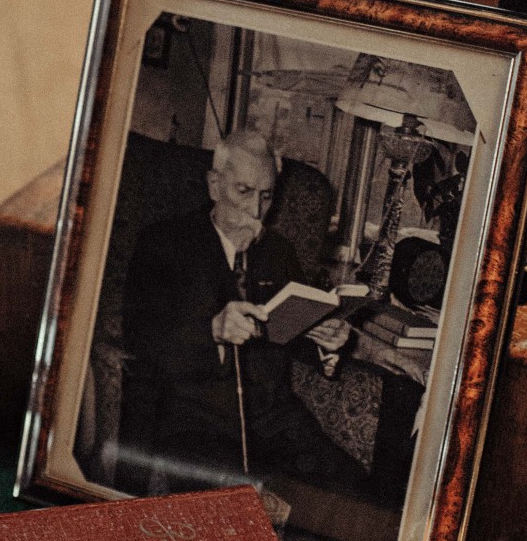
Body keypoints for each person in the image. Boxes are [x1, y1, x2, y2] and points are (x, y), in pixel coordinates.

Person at [116, 129, 366, 500]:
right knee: (232, 508)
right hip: (195, 422)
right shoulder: (164, 243)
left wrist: (326, 345)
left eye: (266, 196)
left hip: (275, 420)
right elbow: (142, 339)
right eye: (244, 191)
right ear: (215, 186)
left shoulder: (279, 252)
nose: (255, 210)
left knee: (357, 494)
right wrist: (213, 330)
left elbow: (288, 330)